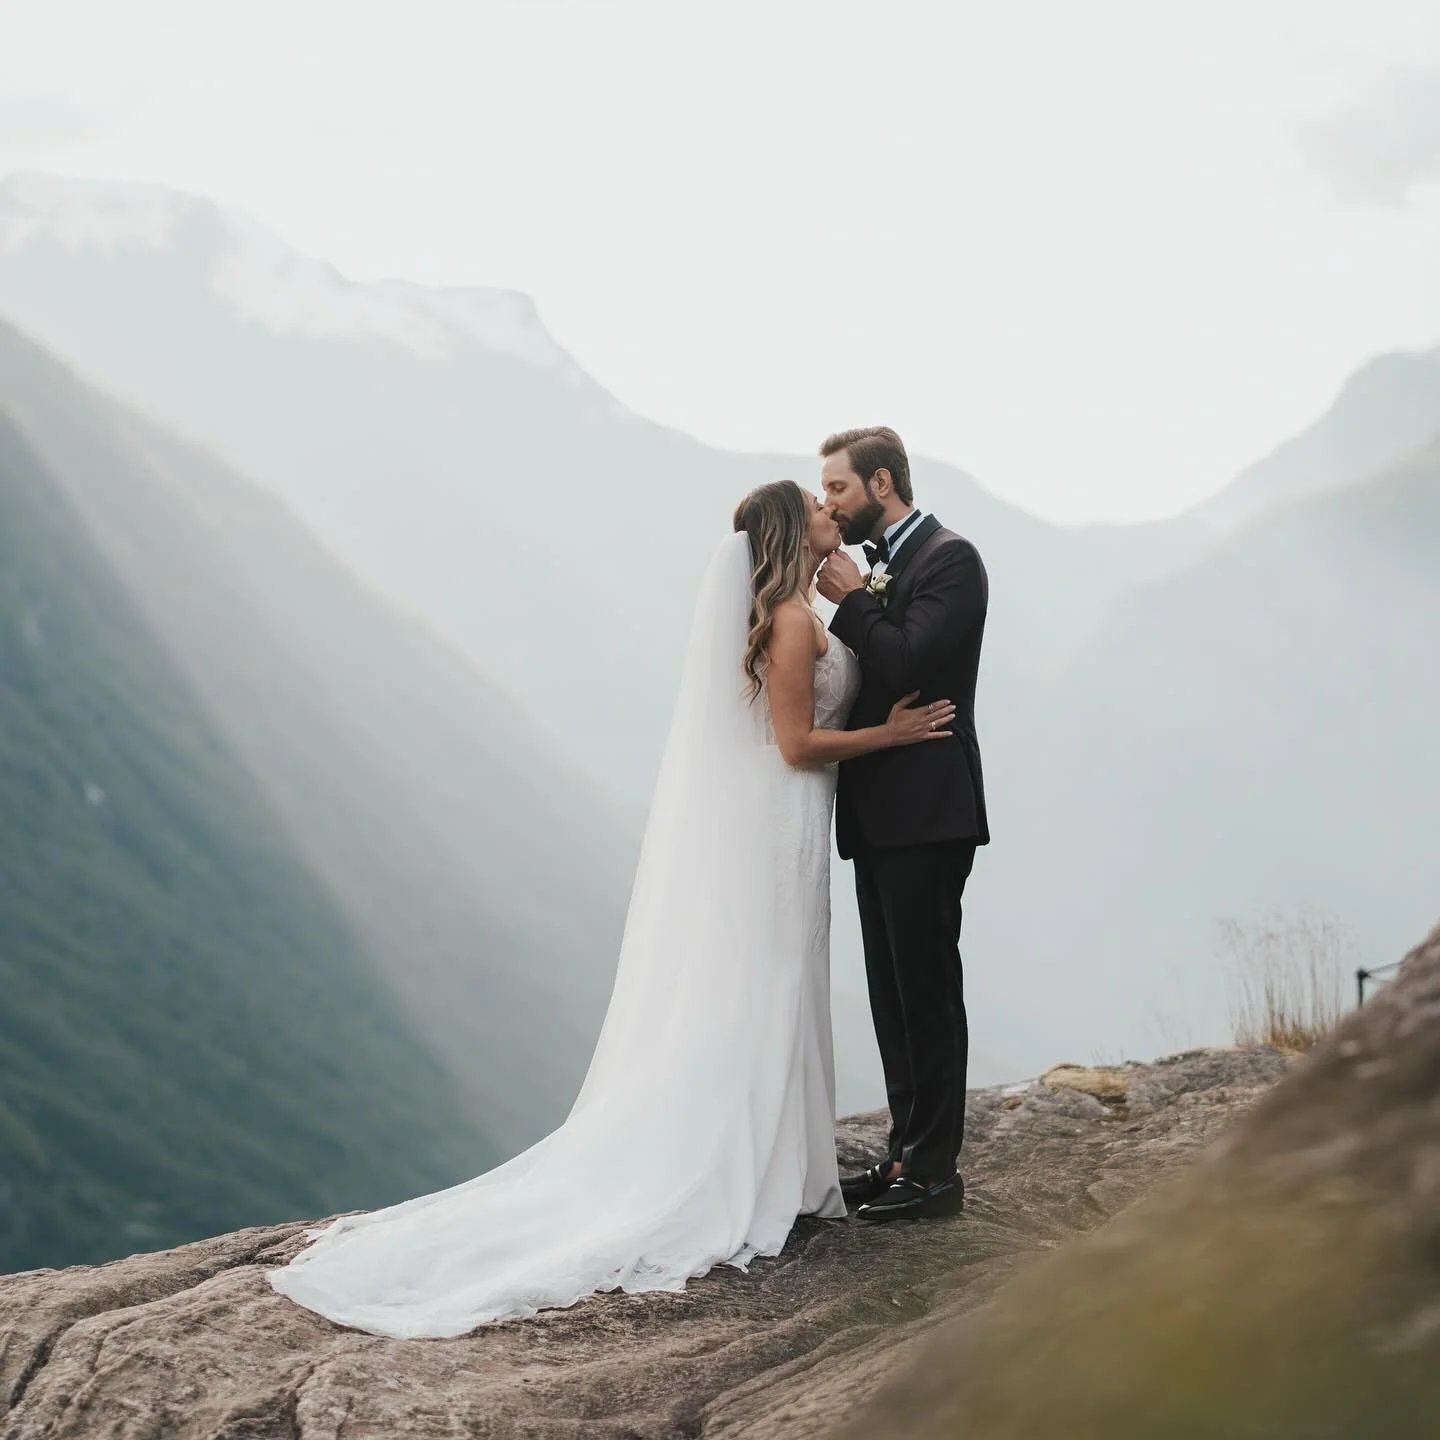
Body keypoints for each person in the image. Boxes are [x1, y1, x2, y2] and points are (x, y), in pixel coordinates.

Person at [267, 479, 954, 1337]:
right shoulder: (784, 619)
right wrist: (888, 737)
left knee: (783, 979)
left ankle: (784, 1160)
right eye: (817, 506)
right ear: (792, 530)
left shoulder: (802, 606)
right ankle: (744, 1166)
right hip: (781, 823)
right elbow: (793, 744)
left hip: (798, 826)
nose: (831, 510)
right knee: (767, 981)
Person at [816, 426, 989, 1223]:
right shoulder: (883, 564)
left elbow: (911, 662)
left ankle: (937, 1174)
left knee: (926, 990)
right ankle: (901, 1157)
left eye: (839, 489)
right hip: (879, 812)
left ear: (882, 483)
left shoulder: (952, 560)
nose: (829, 503)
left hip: (928, 809)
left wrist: (852, 599)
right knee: (890, 992)